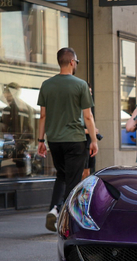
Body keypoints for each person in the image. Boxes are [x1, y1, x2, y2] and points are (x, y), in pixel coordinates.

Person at [37, 47, 98, 232]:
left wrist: (40, 141)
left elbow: (42, 116)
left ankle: (55, 209)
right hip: (75, 140)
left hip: (54, 140)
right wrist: (94, 140)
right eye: (76, 62)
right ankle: (68, 221)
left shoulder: (46, 85)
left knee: (61, 176)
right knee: (74, 181)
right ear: (72, 62)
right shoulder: (80, 85)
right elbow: (88, 116)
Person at [1, 82, 35, 177]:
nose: (6, 97)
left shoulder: (10, 109)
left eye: (7, 94)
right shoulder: (26, 108)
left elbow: (4, 128)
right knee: (20, 172)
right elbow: (30, 130)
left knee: (11, 171)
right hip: (19, 146)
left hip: (14, 145)